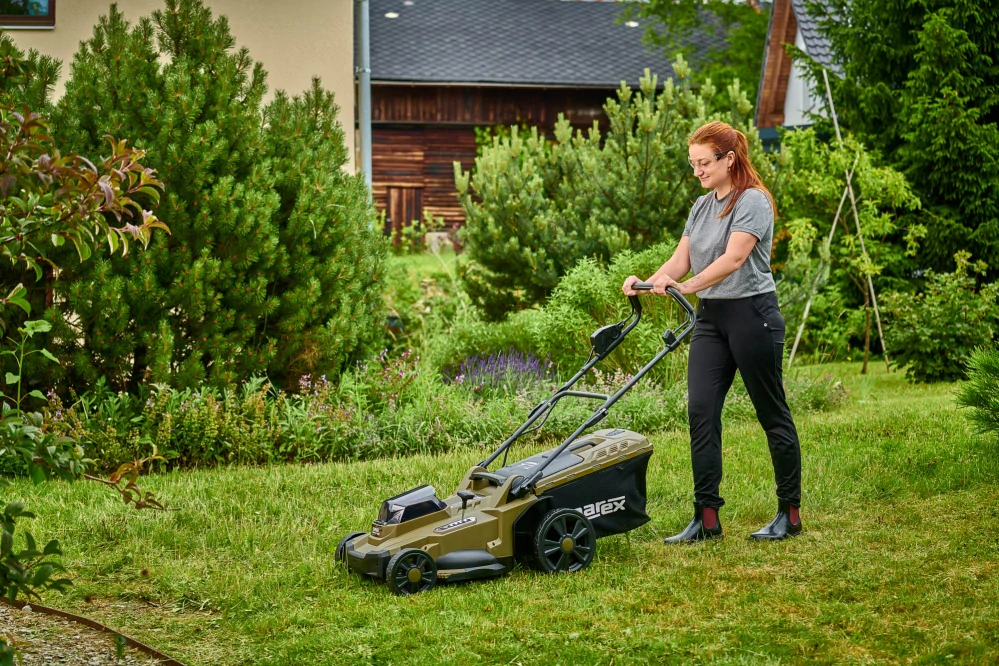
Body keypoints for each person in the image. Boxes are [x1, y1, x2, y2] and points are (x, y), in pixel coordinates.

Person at [622, 121, 802, 542]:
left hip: (752, 316)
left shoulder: (753, 201)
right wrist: (646, 281)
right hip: (711, 320)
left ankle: (789, 514)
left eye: (704, 163)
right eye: (693, 164)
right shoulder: (702, 206)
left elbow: (733, 259)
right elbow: (679, 261)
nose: (698, 171)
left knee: (771, 413)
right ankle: (706, 519)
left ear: (729, 159)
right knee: (701, 413)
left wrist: (684, 287)